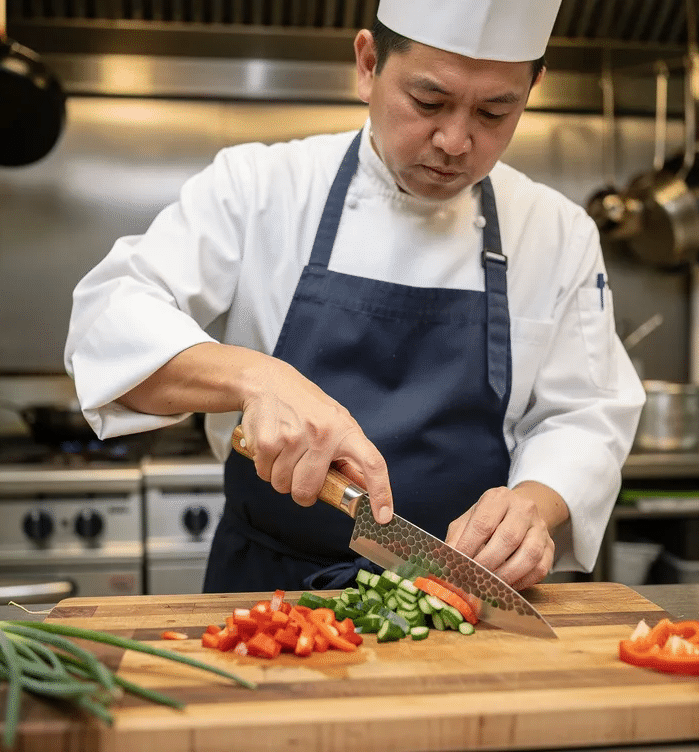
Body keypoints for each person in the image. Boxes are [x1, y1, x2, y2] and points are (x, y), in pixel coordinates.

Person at [64, 0, 645, 594]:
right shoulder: (259, 189)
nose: (454, 141)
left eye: (495, 112)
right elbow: (108, 324)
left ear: (533, 89)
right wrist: (255, 378)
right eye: (428, 103)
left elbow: (587, 412)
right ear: (368, 64)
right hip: (267, 593)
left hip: (460, 596)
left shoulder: (556, 231)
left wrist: (535, 504)